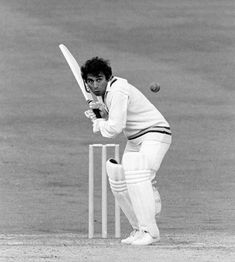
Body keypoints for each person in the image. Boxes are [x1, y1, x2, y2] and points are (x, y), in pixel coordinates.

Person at [81, 57, 172, 245]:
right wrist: (103, 113)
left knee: (138, 174)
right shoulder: (106, 94)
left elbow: (114, 129)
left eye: (99, 79)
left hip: (154, 133)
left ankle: (151, 231)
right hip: (135, 139)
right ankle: (139, 228)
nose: (95, 85)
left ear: (108, 77)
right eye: (90, 81)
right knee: (119, 178)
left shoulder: (117, 89)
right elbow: (117, 117)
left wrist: (99, 123)